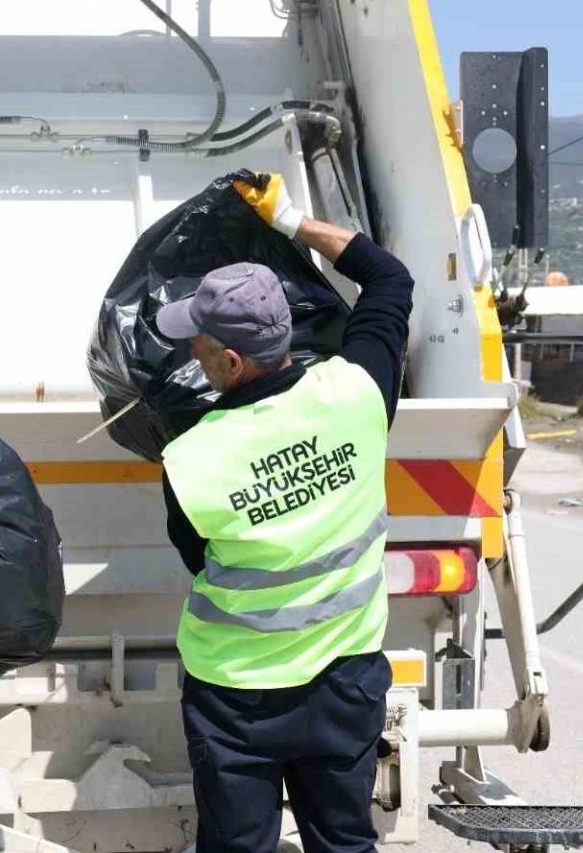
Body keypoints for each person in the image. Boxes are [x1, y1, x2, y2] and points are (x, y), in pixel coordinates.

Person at [154, 173, 413, 853]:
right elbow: (389, 279)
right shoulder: (358, 392)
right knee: (345, 843)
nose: (191, 352)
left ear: (231, 360)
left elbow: (198, 560)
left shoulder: (191, 459)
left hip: (237, 696)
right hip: (345, 680)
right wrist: (292, 219)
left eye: (198, 342)